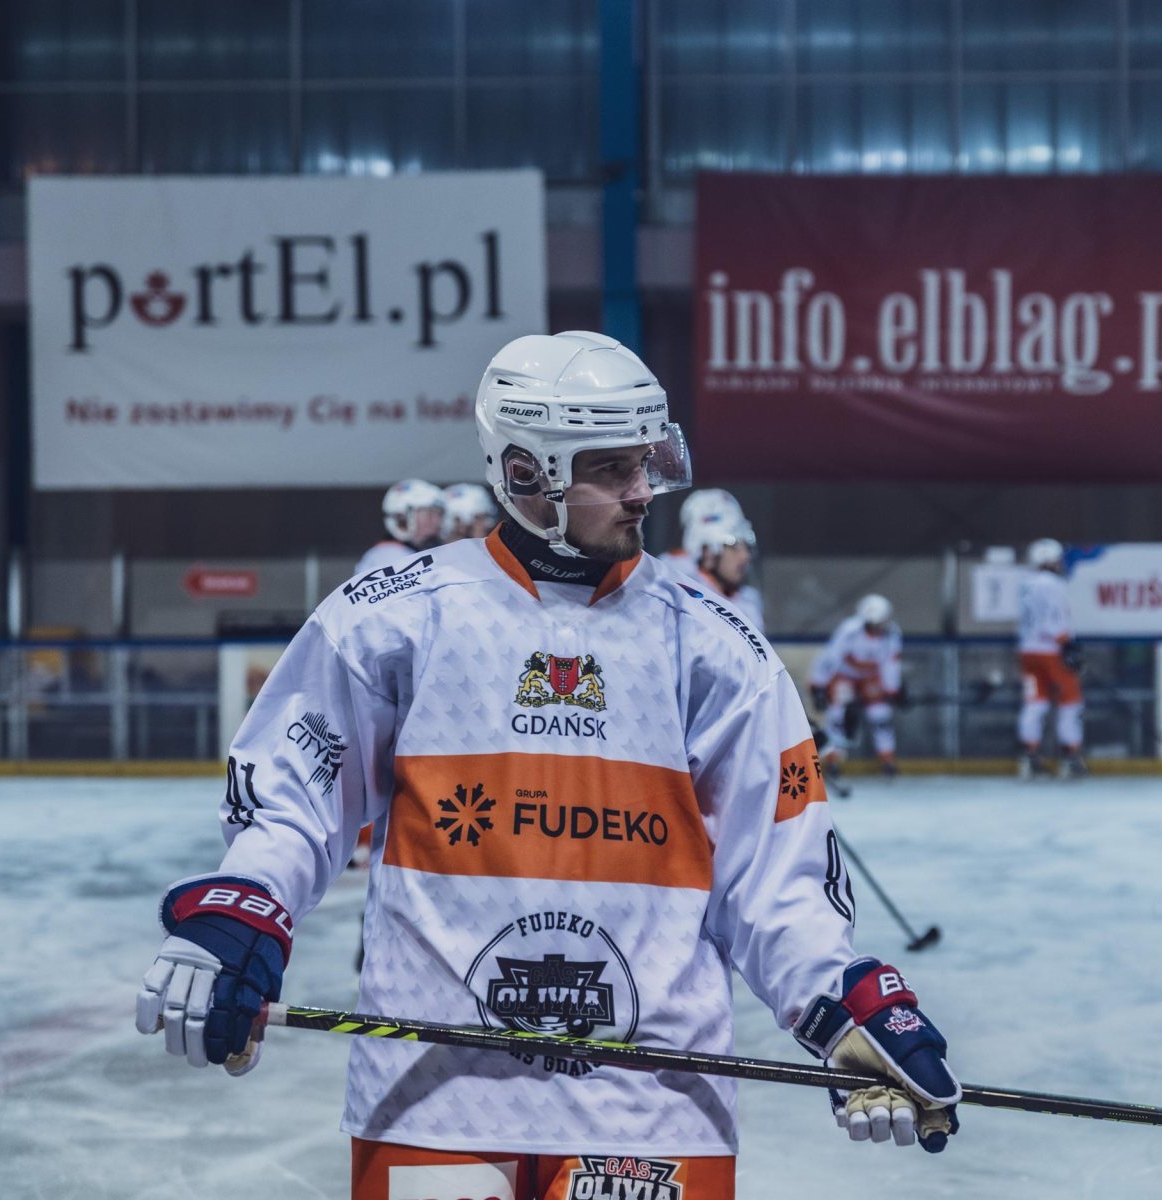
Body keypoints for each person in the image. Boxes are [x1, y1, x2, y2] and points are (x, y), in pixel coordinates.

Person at [136, 331, 960, 1200]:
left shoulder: (719, 649)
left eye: (645, 460)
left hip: (653, 1102)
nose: (642, 490)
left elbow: (775, 878)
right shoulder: (392, 618)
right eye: (611, 468)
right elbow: (296, 798)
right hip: (432, 1095)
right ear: (526, 472)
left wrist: (840, 1004)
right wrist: (248, 902)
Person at [809, 594, 904, 780]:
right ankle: (832, 759)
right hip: (845, 676)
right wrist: (818, 684)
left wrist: (893, 689)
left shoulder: (892, 633)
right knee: (837, 715)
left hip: (871, 678)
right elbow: (831, 657)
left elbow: (890, 663)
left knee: (880, 715)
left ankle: (887, 759)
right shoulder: (850, 630)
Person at [1018, 538, 1085, 779]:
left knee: (1034, 703)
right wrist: (1067, 644)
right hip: (1052, 652)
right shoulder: (1054, 585)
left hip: (1028, 652)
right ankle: (1071, 756)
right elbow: (1054, 619)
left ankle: (1029, 755)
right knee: (1071, 702)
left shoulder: (1025, 583)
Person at [673, 507, 764, 632]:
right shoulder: (681, 597)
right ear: (708, 554)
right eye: (734, 546)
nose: (745, 556)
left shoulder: (749, 601)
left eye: (746, 547)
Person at [355, 478, 445, 574]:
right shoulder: (389, 556)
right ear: (402, 516)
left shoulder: (397, 553)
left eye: (439, 514)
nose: (436, 521)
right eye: (429, 514)